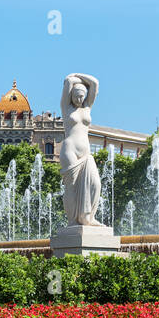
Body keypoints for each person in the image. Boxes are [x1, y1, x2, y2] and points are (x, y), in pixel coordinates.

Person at [60, 73, 101, 226]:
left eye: (82, 96)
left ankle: (88, 217)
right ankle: (72, 220)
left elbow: (95, 84)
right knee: (72, 187)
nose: (79, 99)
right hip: (69, 150)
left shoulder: (87, 108)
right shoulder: (66, 109)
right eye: (76, 96)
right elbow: (69, 81)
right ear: (71, 96)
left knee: (95, 184)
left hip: (86, 153)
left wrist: (78, 75)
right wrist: (74, 79)